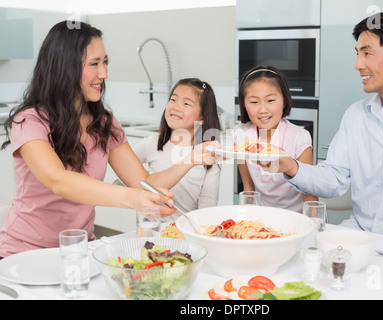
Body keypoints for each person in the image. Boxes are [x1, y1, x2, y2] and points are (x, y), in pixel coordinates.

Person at [0, 21, 191, 257]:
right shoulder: (30, 121)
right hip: (25, 253)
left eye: (105, 62)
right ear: (64, 66)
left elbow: (144, 181)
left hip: (81, 250)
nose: (104, 73)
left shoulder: (103, 122)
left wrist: (192, 159)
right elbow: (59, 181)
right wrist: (135, 199)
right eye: (94, 64)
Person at [273, 11, 383, 246]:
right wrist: (290, 165)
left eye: (367, 53)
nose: (358, 65)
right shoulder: (355, 115)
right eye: (358, 54)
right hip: (358, 239)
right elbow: (334, 177)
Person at [132, 78, 222, 220]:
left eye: (186, 103)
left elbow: (207, 209)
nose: (175, 107)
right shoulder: (151, 144)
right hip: (150, 233)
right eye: (173, 100)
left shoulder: (208, 156)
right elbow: (124, 172)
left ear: (203, 116)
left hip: (186, 234)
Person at [233, 65, 318, 213]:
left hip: (295, 220)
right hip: (262, 218)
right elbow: (249, 189)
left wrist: (314, 225)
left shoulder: (299, 137)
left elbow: (309, 194)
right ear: (244, 104)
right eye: (254, 102)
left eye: (271, 100)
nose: (263, 109)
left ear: (284, 100)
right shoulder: (240, 135)